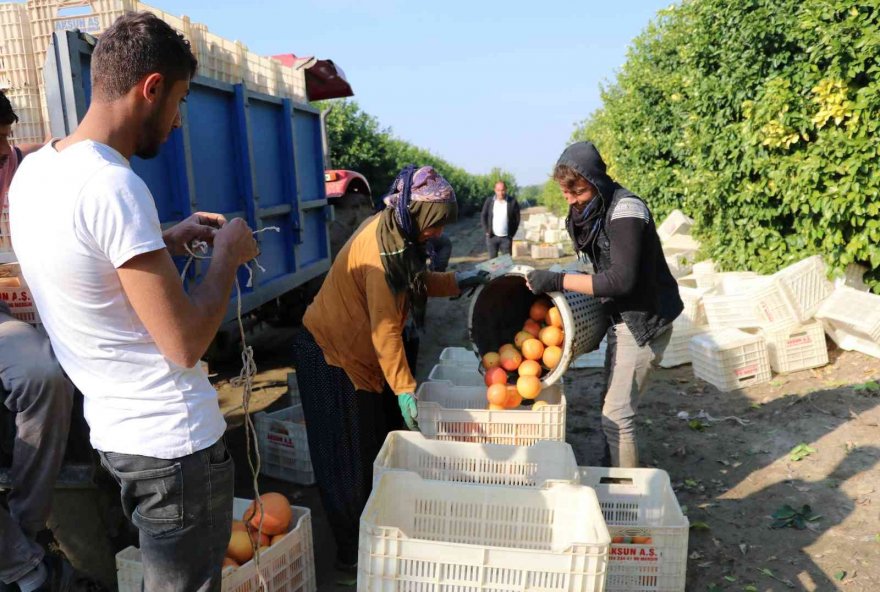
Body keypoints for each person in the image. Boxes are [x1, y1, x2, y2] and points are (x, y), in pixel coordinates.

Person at [9, 13, 259, 591]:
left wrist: (160, 240)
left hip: (119, 438)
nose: (176, 121)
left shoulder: (37, 172)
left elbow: (79, 266)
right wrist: (228, 255)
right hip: (174, 447)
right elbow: (185, 343)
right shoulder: (113, 186)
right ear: (150, 88)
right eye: (179, 101)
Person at [292, 165, 487, 570]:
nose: (436, 233)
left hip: (357, 358)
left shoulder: (398, 238)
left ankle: (374, 535)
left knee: (369, 450)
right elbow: (385, 330)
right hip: (332, 357)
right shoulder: (381, 255)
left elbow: (418, 281)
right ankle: (352, 560)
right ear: (416, 216)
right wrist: (403, 387)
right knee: (346, 461)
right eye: (434, 225)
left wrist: (461, 280)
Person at [526, 142, 683, 468]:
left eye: (579, 192)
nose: (571, 200)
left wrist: (557, 280)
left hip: (643, 321)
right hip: (623, 317)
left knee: (617, 414)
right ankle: (612, 467)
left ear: (596, 182)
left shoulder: (626, 210)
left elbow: (621, 281)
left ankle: (626, 497)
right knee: (610, 403)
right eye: (566, 194)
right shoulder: (594, 210)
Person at [0, 91, 77, 592]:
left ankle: (24, 529)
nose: (3, 150)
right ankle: (21, 563)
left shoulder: (26, 163)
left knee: (44, 374)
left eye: (5, 137)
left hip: (18, 310)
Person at [480, 180, 520, 258]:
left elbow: (517, 219)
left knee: (506, 263)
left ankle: (504, 270)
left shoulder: (512, 202)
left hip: (506, 238)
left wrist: (511, 234)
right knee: (493, 263)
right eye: (498, 190)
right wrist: (487, 231)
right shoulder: (489, 201)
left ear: (506, 190)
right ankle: (494, 270)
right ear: (495, 190)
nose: (500, 193)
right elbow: (483, 216)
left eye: (502, 190)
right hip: (492, 237)